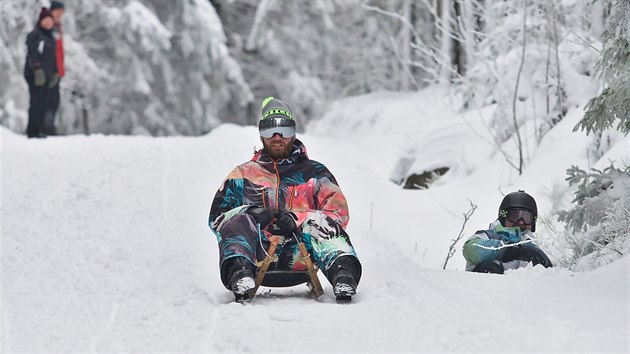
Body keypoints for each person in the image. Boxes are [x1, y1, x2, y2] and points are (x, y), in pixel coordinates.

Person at [208, 97, 362, 301]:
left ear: (294, 132)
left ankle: (343, 274)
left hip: (302, 255)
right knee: (236, 220)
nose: (277, 137)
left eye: (285, 130)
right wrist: (251, 214)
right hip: (257, 257)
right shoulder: (243, 174)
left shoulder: (315, 173)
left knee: (320, 221)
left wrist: (297, 218)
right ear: (261, 135)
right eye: (269, 130)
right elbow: (217, 218)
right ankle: (239, 274)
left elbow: (339, 213)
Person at [462, 190, 553, 274]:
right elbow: (469, 248)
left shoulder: (530, 249)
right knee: (488, 266)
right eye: (514, 216)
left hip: (518, 290)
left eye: (526, 217)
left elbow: (550, 272)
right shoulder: (487, 236)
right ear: (503, 216)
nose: (521, 222)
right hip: (482, 288)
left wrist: (544, 261)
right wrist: (505, 250)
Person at [24, 7, 58, 138]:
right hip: (34, 75)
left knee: (45, 102)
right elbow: (32, 54)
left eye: (51, 20)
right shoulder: (35, 35)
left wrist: (55, 72)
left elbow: (53, 58)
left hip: (47, 76)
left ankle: (41, 130)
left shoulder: (51, 38)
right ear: (41, 21)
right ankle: (32, 131)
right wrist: (37, 70)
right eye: (46, 20)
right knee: (36, 102)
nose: (48, 23)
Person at [44, 0, 65, 136]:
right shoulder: (48, 26)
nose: (60, 14)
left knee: (55, 100)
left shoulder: (57, 26)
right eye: (58, 11)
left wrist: (60, 70)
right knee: (48, 99)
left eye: (61, 12)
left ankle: (49, 126)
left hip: (57, 70)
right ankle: (46, 127)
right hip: (49, 70)